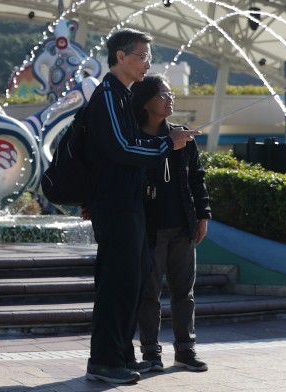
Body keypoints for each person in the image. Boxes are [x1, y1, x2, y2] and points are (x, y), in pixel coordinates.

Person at [84, 29, 200, 385]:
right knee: (118, 284)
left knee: (132, 283)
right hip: (115, 205)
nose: (147, 64)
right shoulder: (107, 95)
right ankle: (103, 360)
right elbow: (122, 149)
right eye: (142, 57)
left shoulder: (123, 96)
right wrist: (168, 146)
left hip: (129, 203)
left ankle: (119, 355)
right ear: (121, 56)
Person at [132, 74, 212, 373]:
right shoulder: (135, 139)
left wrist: (202, 216)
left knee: (184, 293)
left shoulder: (183, 136)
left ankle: (186, 350)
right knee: (148, 294)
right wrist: (165, 146)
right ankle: (151, 353)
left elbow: (197, 180)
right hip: (150, 230)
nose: (169, 98)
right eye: (162, 94)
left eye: (170, 93)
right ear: (146, 101)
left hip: (182, 226)